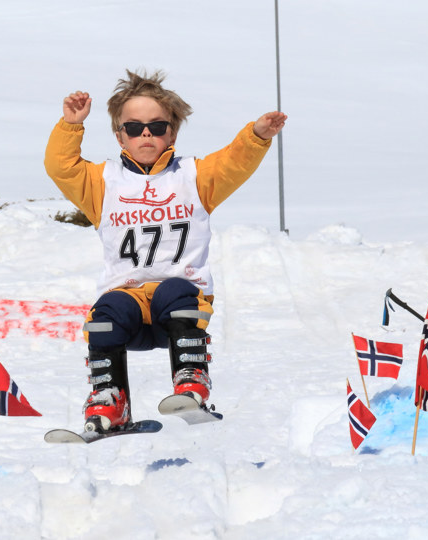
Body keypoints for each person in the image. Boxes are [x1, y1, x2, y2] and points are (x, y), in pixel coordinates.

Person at [44, 69, 286, 433]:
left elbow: (233, 162)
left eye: (157, 127)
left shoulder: (193, 177)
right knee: (105, 310)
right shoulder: (102, 183)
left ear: (171, 132)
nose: (146, 134)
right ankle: (110, 402)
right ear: (119, 135)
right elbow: (61, 168)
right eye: (134, 127)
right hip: (130, 307)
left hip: (181, 305)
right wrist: (70, 126)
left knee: (175, 288)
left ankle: (191, 382)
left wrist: (255, 136)